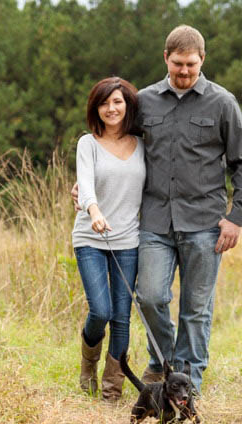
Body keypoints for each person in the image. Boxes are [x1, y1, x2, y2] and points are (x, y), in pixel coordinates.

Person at [132, 25, 242, 394]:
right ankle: (162, 362)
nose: (183, 71)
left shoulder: (223, 103)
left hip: (205, 224)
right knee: (151, 297)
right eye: (176, 64)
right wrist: (87, 182)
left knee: (196, 309)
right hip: (154, 220)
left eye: (190, 64)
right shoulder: (143, 101)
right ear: (165, 59)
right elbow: (116, 146)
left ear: (202, 60)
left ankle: (188, 387)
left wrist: (236, 218)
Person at [73, 77, 145, 401]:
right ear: (95, 108)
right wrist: (93, 210)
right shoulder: (87, 143)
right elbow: (85, 183)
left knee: (121, 316)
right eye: (104, 103)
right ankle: (88, 365)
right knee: (100, 310)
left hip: (128, 241)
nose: (110, 108)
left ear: (127, 105)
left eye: (117, 101)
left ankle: (111, 391)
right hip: (90, 236)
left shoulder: (143, 144)